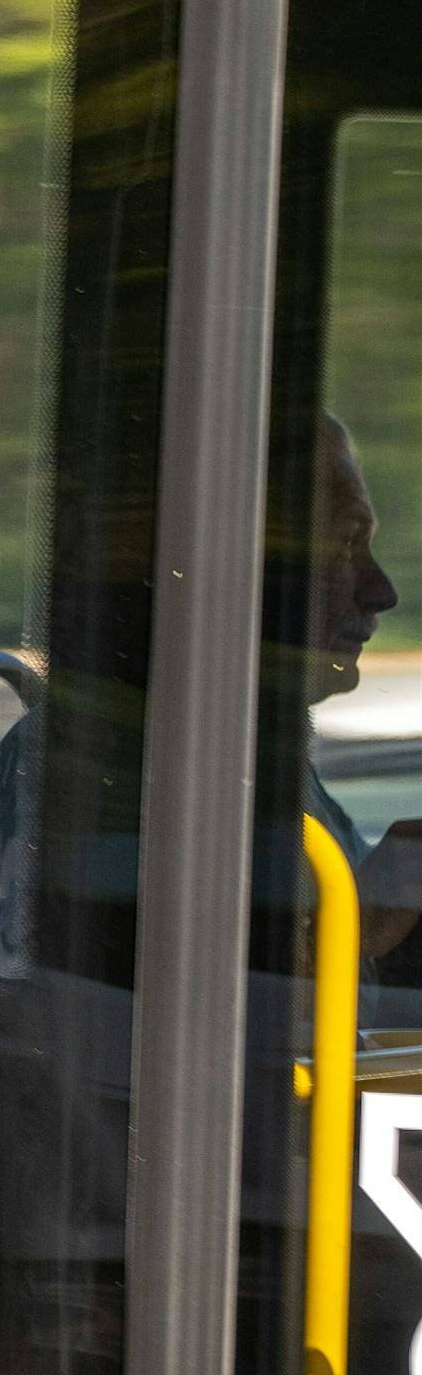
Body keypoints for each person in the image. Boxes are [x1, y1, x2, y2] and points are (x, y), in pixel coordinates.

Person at [304, 413, 418, 966]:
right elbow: (221, 1020)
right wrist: (347, 935)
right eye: (347, 541)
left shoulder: (264, 765)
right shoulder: (160, 780)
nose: (382, 592)